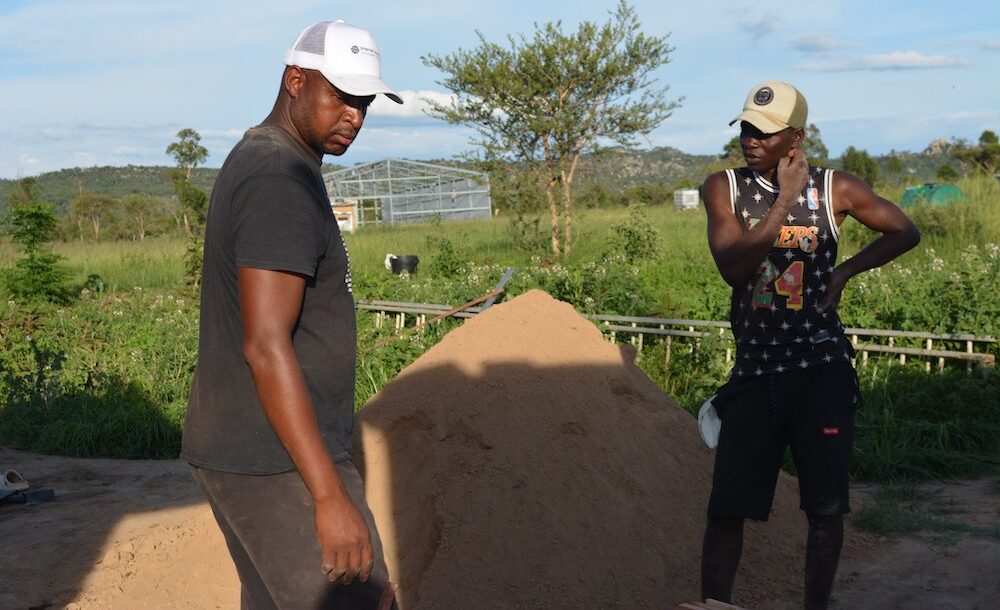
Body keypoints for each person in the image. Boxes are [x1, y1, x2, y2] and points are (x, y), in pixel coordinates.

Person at [181, 20, 403, 609]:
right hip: (275, 460)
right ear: (295, 80)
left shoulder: (276, 161)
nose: (354, 115)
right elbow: (265, 343)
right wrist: (329, 495)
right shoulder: (279, 178)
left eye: (364, 101)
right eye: (341, 96)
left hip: (256, 451)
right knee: (365, 601)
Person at [699, 81, 920, 610]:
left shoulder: (836, 189)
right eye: (746, 127)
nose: (751, 139)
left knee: (824, 510)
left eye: (765, 132)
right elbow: (734, 269)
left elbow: (904, 230)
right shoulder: (723, 187)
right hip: (754, 374)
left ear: (796, 136)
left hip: (820, 369)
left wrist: (843, 272)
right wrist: (785, 202)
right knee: (727, 509)